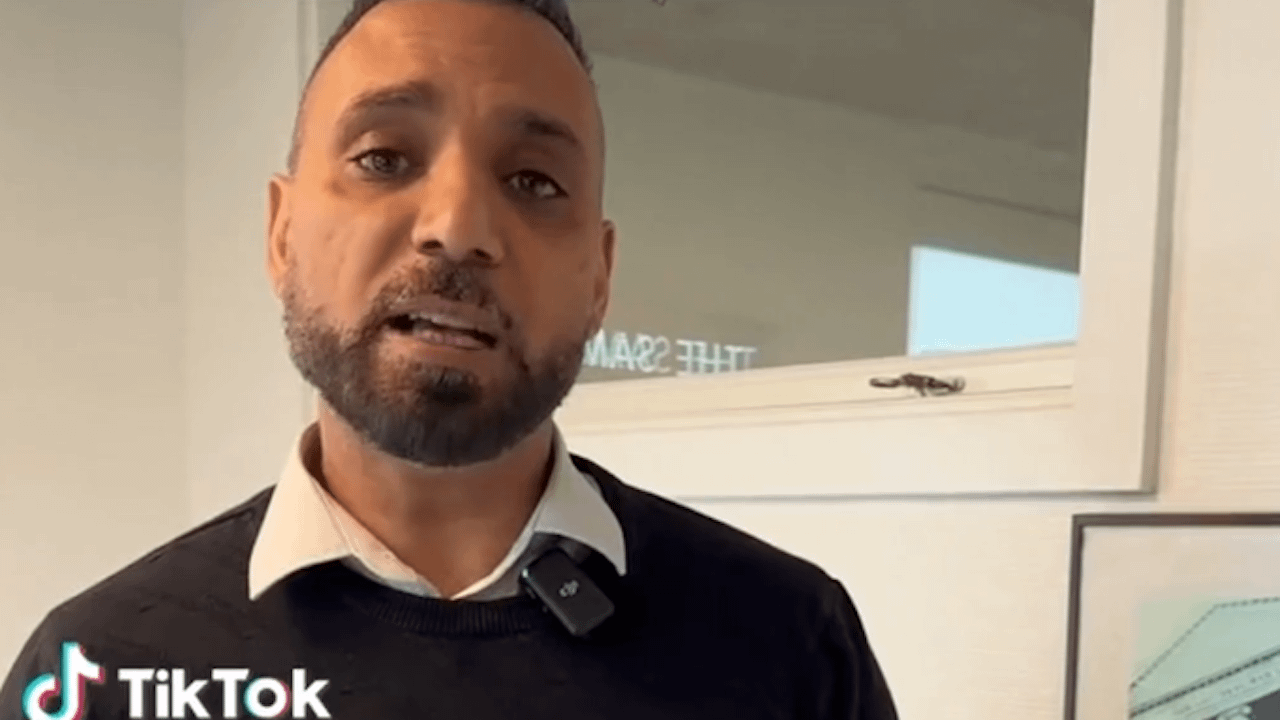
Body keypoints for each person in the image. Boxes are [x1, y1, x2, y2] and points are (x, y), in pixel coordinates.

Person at [0, 1, 899, 718]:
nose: (459, 225)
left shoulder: (790, 644)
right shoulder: (98, 673)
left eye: (534, 181)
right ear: (282, 233)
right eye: (384, 158)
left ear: (600, 277)